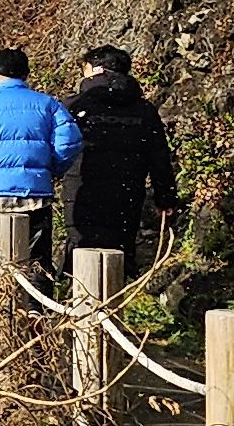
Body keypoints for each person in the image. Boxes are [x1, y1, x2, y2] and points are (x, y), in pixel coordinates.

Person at [0, 49, 82, 269]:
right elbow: (69, 142)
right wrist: (51, 169)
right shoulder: (48, 104)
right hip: (35, 192)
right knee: (36, 262)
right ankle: (33, 303)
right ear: (27, 74)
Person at [65, 46, 182, 269]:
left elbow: (59, 147)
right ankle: (116, 300)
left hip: (81, 188)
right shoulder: (144, 110)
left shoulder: (74, 105)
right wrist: (165, 196)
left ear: (97, 70)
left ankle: (78, 300)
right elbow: (158, 155)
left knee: (80, 248)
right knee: (120, 250)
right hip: (127, 190)